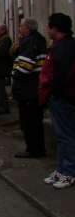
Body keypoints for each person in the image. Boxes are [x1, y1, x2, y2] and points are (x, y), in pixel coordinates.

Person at [39, 13, 75, 190]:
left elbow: (61, 75)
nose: (47, 29)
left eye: (49, 26)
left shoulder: (64, 48)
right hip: (60, 97)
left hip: (63, 98)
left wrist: (53, 91)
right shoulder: (60, 46)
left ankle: (68, 171)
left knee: (66, 136)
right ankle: (61, 169)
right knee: (61, 136)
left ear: (55, 28)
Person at [11, 18, 48, 158]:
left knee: (29, 122)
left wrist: (15, 74)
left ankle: (33, 150)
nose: (19, 28)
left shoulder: (30, 41)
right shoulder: (39, 39)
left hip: (28, 88)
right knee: (35, 122)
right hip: (34, 87)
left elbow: (25, 66)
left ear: (27, 28)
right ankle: (38, 148)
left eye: (21, 26)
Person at [0, 24, 13, 114]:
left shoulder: (5, 39)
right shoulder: (0, 39)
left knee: (0, 89)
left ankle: (3, 107)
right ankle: (1, 106)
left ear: (3, 30)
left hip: (1, 68)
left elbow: (1, 52)